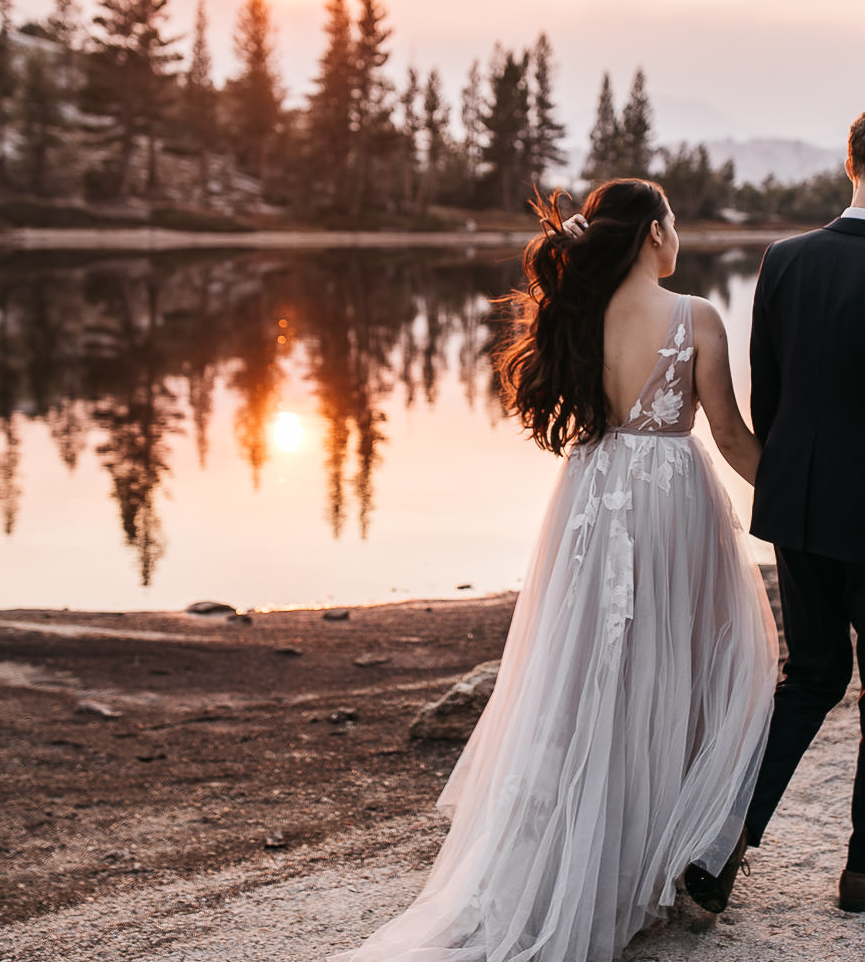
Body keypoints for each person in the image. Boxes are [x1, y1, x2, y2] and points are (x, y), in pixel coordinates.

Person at [331, 178, 779, 960]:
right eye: (671, 224)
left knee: (584, 671)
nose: (678, 238)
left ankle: (587, 851)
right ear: (650, 233)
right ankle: (650, 856)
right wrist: (806, 507)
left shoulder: (576, 314)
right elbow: (736, 442)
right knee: (695, 664)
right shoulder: (696, 316)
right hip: (672, 503)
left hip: (593, 495)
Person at [685, 98, 865, 916]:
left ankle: (720, 847)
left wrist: (792, 482)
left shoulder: (783, 261)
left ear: (851, 165)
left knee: (809, 677)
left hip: (799, 508)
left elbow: (770, 398)